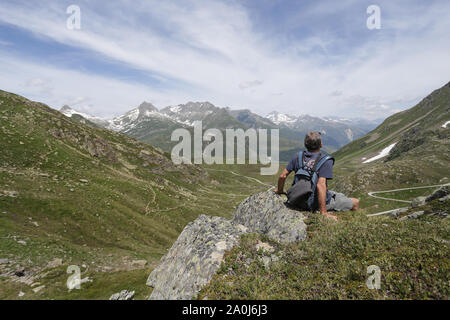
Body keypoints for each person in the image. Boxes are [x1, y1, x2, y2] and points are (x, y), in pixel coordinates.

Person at [274, 131, 359, 221]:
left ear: (305, 144)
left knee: (338, 194)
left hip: (297, 200)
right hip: (313, 204)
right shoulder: (325, 161)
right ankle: (353, 222)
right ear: (321, 145)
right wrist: (324, 212)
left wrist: (280, 190)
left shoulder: (298, 156)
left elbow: (283, 176)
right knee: (355, 202)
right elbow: (320, 185)